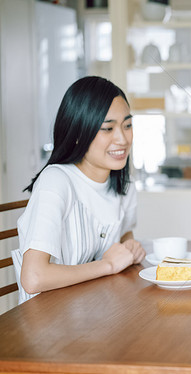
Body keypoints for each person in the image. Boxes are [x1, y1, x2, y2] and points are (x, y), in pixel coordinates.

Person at [12, 76, 146, 304]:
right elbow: (33, 277)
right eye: (107, 128)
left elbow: (123, 235)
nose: (122, 138)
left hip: (95, 310)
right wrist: (108, 264)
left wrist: (128, 247)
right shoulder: (56, 181)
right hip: (49, 322)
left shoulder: (124, 184)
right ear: (76, 135)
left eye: (127, 125)